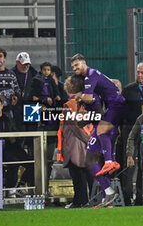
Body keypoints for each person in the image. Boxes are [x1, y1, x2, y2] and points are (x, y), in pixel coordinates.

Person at [71, 53, 126, 176]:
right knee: (110, 131)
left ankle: (108, 161)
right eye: (72, 67)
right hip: (115, 104)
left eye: (76, 65)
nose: (74, 68)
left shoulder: (90, 75)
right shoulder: (93, 74)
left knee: (101, 129)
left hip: (115, 104)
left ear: (83, 62)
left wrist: (79, 96)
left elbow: (89, 98)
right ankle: (112, 160)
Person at [0, 97, 34, 196]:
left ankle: (21, 185)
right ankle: (10, 189)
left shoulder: (8, 119)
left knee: (33, 162)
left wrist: (14, 138)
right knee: (13, 161)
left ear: (2, 106)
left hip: (12, 147)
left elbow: (16, 132)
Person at [57, 76, 93, 208]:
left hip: (74, 146)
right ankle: (88, 200)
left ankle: (80, 201)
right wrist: (91, 141)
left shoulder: (69, 106)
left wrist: (88, 140)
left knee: (78, 175)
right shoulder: (87, 104)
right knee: (86, 174)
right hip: (86, 145)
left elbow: (76, 127)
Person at [121, 62, 143, 205]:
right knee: (129, 163)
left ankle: (141, 198)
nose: (139, 75)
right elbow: (121, 110)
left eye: (142, 73)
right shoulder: (128, 90)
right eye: (138, 72)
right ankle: (127, 198)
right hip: (130, 129)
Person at [0, 48, 21, 125]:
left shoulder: (11, 74)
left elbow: (17, 90)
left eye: (0, 56)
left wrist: (16, 97)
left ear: (4, 58)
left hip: (9, 110)